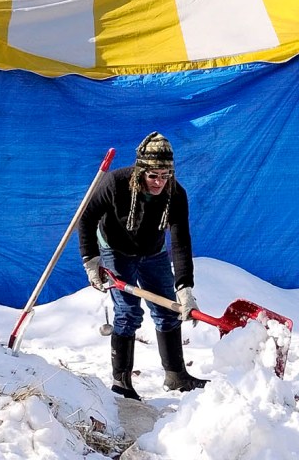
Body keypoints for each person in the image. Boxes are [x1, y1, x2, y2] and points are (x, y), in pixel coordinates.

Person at [78, 131, 207, 400]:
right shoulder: (116, 183)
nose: (159, 182)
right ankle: (121, 382)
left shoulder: (175, 194)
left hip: (153, 250)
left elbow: (181, 240)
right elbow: (87, 218)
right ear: (140, 173)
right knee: (128, 312)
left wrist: (185, 288)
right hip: (115, 248)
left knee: (167, 309)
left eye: (165, 175)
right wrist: (91, 260)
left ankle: (176, 375)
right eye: (153, 176)